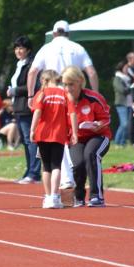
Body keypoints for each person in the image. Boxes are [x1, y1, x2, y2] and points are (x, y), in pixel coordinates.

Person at [27, 20, 97, 190]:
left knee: (57, 134)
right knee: (73, 132)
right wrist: (94, 95)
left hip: (51, 94)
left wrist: (30, 95)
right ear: (68, 33)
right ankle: (74, 173)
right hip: (73, 92)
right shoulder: (77, 48)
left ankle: (66, 177)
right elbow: (91, 72)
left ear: (53, 33)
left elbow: (32, 72)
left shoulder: (46, 48)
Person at [61, 66, 110, 207]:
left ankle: (96, 196)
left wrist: (98, 124)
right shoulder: (62, 100)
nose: (68, 88)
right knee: (78, 164)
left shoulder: (94, 98)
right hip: (76, 138)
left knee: (91, 154)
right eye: (65, 84)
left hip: (98, 136)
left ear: (80, 82)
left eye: (71, 84)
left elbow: (106, 118)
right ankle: (79, 197)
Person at [30, 70, 78, 209]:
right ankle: (55, 196)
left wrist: (32, 129)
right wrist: (75, 132)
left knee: (46, 167)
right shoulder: (64, 94)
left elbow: (37, 112)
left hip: (42, 134)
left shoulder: (41, 94)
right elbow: (73, 113)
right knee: (56, 165)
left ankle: (48, 196)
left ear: (44, 80)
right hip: (59, 134)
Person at [7, 36, 40, 184]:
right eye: (16, 48)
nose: (18, 51)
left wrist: (14, 91)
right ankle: (29, 171)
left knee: (31, 140)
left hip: (27, 107)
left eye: (21, 48)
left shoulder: (31, 65)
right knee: (26, 142)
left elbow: (33, 86)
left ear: (28, 50)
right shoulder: (19, 64)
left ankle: (34, 173)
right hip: (18, 107)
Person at [112, 60, 132, 148]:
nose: (127, 69)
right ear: (121, 68)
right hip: (121, 104)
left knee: (125, 124)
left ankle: (122, 143)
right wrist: (131, 87)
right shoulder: (117, 78)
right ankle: (117, 142)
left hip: (129, 103)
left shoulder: (128, 78)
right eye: (126, 68)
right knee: (124, 124)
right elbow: (122, 90)